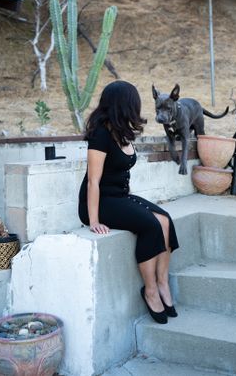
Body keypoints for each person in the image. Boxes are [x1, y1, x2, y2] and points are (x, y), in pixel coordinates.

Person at [78, 80, 179, 324]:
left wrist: (132, 202)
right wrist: (93, 220)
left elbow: (121, 171)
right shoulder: (101, 134)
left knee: (165, 220)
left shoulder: (122, 131)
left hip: (119, 197)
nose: (139, 106)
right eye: (135, 102)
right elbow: (93, 181)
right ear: (124, 104)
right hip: (100, 201)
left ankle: (163, 283)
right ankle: (150, 290)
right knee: (149, 225)